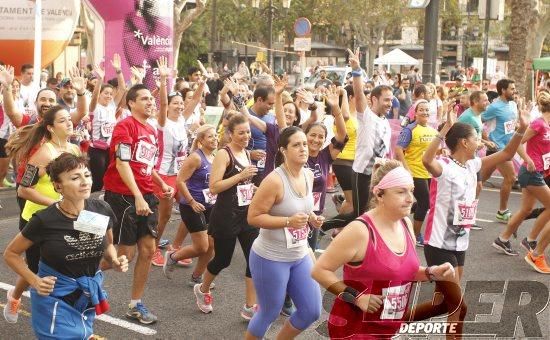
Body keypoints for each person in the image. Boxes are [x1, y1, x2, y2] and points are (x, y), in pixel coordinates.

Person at [408, 104, 529, 338]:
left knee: (444, 302)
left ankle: (392, 320)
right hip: (439, 243)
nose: (480, 142)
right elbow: (425, 160)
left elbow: (506, 155)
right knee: (458, 306)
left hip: (460, 243)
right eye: (476, 138)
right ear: (463, 142)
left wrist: (521, 131)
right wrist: (444, 130)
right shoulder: (444, 166)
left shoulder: (472, 165)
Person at [311, 160, 454, 339]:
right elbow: (319, 270)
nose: (410, 198)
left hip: (389, 328)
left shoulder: (405, 224)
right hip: (356, 330)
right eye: (401, 192)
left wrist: (431, 273)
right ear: (379, 195)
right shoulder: (361, 231)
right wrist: (356, 297)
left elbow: (402, 272)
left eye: (411, 191)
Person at [3, 153, 129, 339]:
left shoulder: (101, 210)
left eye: (87, 175)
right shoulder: (45, 220)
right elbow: (11, 253)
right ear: (58, 186)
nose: (84, 182)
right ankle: (13, 298)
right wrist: (35, 280)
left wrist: (115, 260)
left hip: (85, 297)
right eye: (75, 178)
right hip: (54, 297)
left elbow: (108, 245)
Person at [102, 84, 174, 324]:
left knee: (148, 250)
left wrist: (161, 184)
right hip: (123, 196)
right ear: (131, 103)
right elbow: (123, 164)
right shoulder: (124, 127)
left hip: (146, 194)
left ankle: (135, 304)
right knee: (124, 256)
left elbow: (147, 166)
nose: (150, 102)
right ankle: (81, 270)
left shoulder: (151, 130)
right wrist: (138, 196)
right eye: (144, 99)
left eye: (150, 99)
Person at [3, 105, 81, 323]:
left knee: (62, 266)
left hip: (65, 219)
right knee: (38, 269)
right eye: (63, 120)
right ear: (51, 127)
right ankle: (17, 297)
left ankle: (67, 319)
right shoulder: (43, 153)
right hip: (38, 219)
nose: (69, 123)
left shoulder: (74, 151)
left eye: (69, 119)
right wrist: (56, 203)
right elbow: (23, 189)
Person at [245, 127, 324, 339]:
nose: (303, 149)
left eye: (304, 144)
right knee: (269, 313)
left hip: (299, 255)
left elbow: (303, 209)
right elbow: (253, 217)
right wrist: (288, 221)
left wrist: (312, 218)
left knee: (312, 310)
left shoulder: (308, 174)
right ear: (283, 150)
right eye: (296, 145)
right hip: (270, 257)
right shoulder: (274, 181)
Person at [193, 114, 259, 320]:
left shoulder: (247, 153)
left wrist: (253, 188)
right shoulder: (224, 153)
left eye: (248, 132)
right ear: (230, 134)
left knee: (254, 260)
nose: (246, 136)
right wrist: (240, 176)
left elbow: (242, 186)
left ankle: (250, 306)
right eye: (241, 133)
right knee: (223, 260)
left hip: (246, 215)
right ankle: (202, 289)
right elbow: (214, 186)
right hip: (225, 216)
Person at [321, 49, 392, 232]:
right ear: (374, 99)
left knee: (370, 212)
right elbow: (359, 94)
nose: (389, 104)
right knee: (358, 215)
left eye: (391, 101)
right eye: (386, 100)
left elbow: (385, 151)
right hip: (362, 173)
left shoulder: (386, 123)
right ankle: (323, 226)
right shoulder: (366, 116)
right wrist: (357, 70)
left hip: (377, 175)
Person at [492, 92, 550, 273]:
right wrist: (528, 159)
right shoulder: (539, 123)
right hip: (531, 172)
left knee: (526, 209)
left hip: (539, 171)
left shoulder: (548, 125)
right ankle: (534, 246)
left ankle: (503, 238)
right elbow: (516, 142)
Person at [163, 124, 217, 286]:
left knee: (212, 246)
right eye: (210, 136)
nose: (215, 139)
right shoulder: (195, 157)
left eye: (215, 136)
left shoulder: (216, 157)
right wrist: (192, 202)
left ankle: (196, 277)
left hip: (210, 205)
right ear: (201, 140)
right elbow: (180, 181)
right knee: (202, 246)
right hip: (191, 205)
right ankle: (173, 257)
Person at [394, 100, 439, 246]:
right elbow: (398, 149)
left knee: (426, 203)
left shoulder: (432, 130)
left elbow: (432, 150)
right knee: (425, 202)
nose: (425, 112)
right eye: (422, 110)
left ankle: (399, 215)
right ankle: (415, 235)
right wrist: (406, 168)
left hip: (428, 172)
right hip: (414, 171)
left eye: (427, 110)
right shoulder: (409, 129)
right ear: (415, 112)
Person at [481, 79, 518, 223]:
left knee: (479, 180)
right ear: (503, 90)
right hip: (498, 149)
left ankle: (463, 200)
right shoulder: (494, 107)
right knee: (511, 178)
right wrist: (484, 138)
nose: (514, 91)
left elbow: (511, 125)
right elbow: (478, 120)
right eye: (512, 89)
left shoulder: (513, 105)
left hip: (509, 147)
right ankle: (502, 211)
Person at [88, 56, 126, 192]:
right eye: (106, 93)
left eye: (111, 94)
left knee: (110, 179)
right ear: (100, 94)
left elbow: (122, 89)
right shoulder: (94, 107)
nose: (109, 96)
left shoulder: (111, 106)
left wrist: (118, 70)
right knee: (97, 182)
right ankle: (90, 206)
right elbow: (93, 97)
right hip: (96, 150)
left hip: (110, 150)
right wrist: (99, 79)